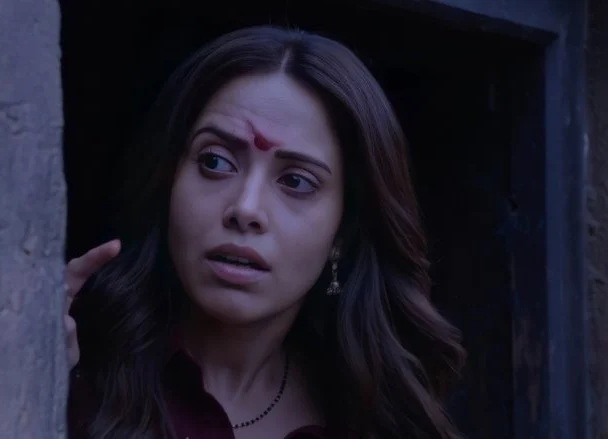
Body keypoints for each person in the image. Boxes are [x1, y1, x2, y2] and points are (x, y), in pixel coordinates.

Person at [63, 25, 466, 439]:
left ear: (344, 232)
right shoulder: (75, 371)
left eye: (296, 182)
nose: (246, 208)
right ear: (167, 181)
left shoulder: (377, 422)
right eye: (215, 162)